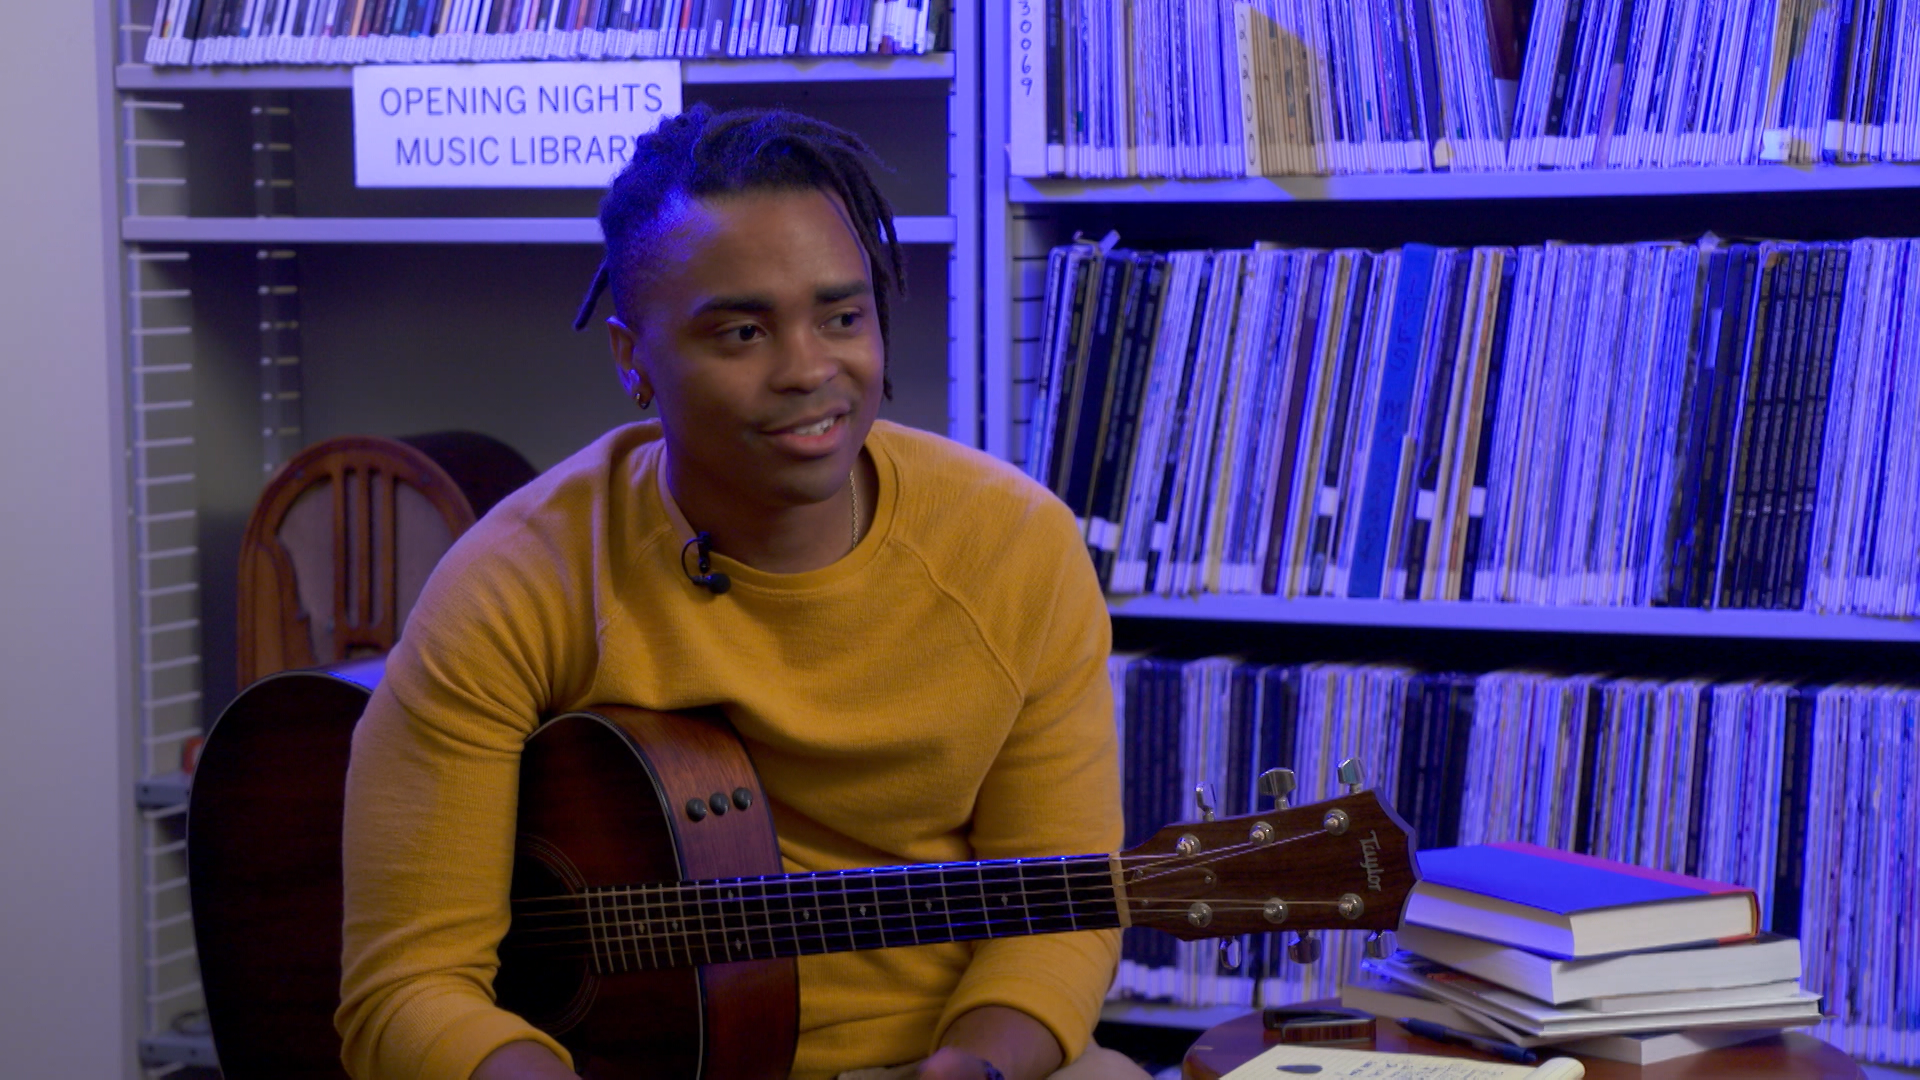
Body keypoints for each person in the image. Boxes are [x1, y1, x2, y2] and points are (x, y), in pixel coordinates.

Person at [333, 104, 1143, 1080]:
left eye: (842, 317)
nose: (809, 371)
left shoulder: (1016, 547)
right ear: (633, 357)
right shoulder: (514, 580)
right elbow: (407, 983)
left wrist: (970, 1066)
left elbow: (1059, 915)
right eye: (744, 331)